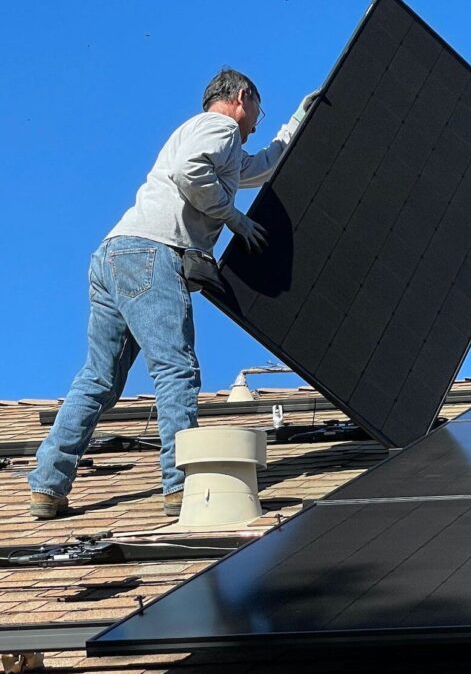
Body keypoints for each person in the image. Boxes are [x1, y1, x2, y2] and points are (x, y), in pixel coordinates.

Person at [28, 68, 319, 519]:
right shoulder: (219, 127)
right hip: (151, 253)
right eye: (260, 109)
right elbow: (190, 173)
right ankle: (181, 487)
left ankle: (48, 484)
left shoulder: (208, 138)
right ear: (242, 97)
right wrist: (234, 219)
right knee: (176, 369)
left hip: (113, 255)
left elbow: (260, 167)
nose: (260, 120)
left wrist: (298, 121)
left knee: (98, 380)